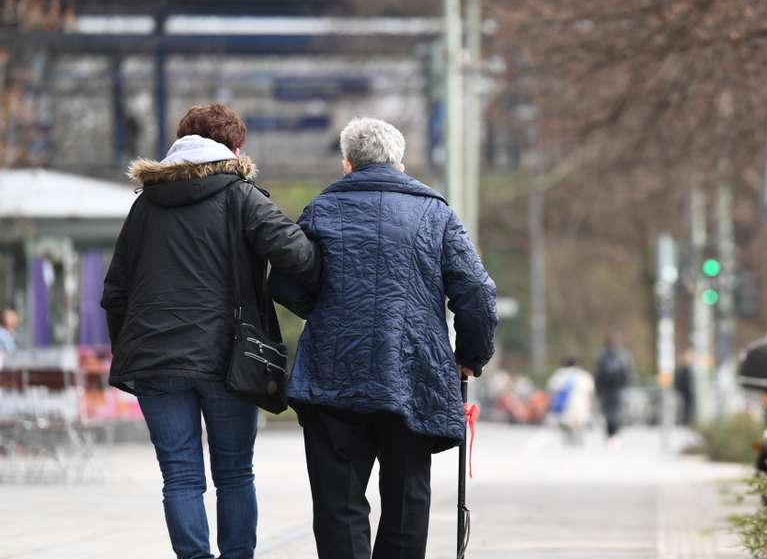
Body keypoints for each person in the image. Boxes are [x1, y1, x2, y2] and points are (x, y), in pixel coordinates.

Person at [272, 117, 498, 559]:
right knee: (407, 502)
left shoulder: (320, 211)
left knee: (339, 506)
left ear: (347, 164)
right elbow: (476, 291)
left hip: (333, 377)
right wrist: (470, 355)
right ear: (400, 162)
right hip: (413, 376)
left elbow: (285, 283)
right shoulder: (436, 214)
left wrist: (328, 311)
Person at [101, 104, 320, 559]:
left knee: (180, 475)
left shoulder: (145, 206)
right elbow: (299, 256)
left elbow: (115, 291)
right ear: (235, 148)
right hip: (229, 358)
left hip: (155, 360)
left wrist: (128, 349)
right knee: (235, 473)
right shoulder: (242, 197)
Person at [546, 357, 595, 445]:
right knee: (579, 424)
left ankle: (568, 440)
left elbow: (551, 389)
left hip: (564, 407)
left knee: (566, 424)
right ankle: (578, 439)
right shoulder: (584, 375)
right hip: (581, 406)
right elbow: (590, 390)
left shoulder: (559, 374)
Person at [594, 336, 632, 445]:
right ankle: (615, 435)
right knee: (617, 412)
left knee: (607, 412)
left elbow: (598, 373)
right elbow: (629, 373)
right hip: (619, 389)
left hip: (605, 390)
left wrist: (598, 389)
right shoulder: (624, 354)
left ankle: (609, 435)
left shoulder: (601, 355)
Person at [673, 348, 695, 426]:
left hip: (688, 392)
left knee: (688, 407)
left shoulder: (690, 369)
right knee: (685, 407)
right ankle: (686, 421)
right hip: (685, 392)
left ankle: (689, 420)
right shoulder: (684, 370)